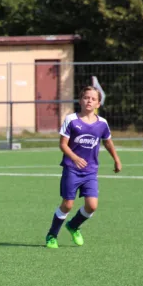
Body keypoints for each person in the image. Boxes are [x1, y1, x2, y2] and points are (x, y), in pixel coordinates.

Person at [45, 85, 122, 249]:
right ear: (80, 100)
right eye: (86, 97)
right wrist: (74, 157)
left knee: (92, 205)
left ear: (98, 104)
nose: (89, 101)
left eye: (93, 99)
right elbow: (62, 144)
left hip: (91, 171)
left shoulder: (102, 123)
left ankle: (73, 226)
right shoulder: (71, 120)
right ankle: (52, 235)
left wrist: (116, 159)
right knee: (67, 205)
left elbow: (107, 142)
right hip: (71, 169)